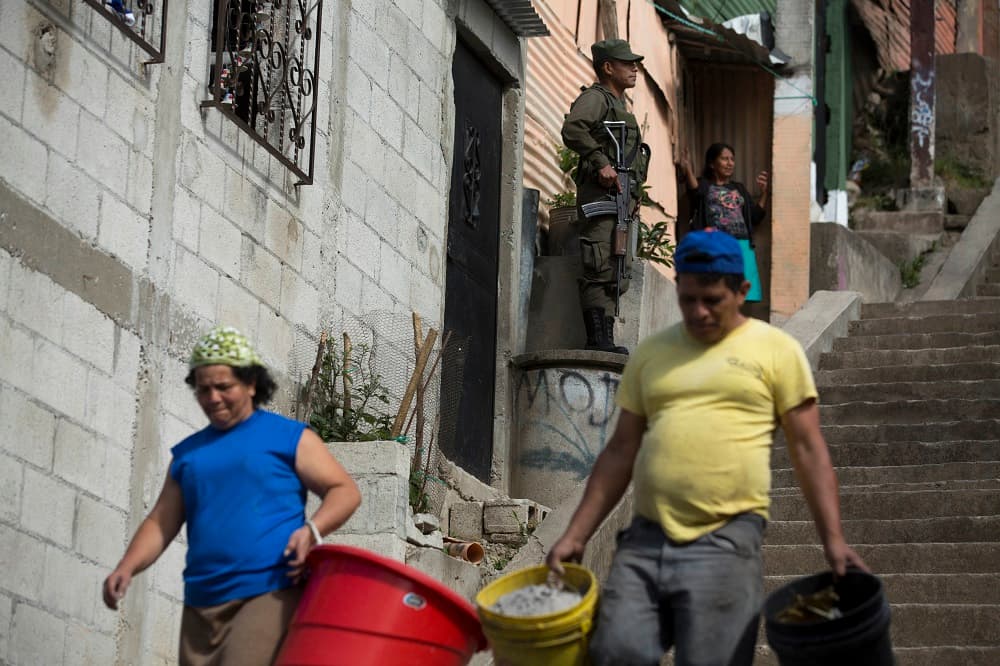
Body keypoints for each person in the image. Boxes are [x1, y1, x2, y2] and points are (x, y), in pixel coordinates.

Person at [546, 230, 868, 666]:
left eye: (712, 300)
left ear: (742, 291)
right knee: (613, 652)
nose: (698, 312)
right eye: (688, 298)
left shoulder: (776, 352)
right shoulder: (653, 353)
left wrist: (834, 542)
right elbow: (621, 451)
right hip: (645, 543)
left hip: (726, 544)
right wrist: (576, 534)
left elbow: (809, 450)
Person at [102, 326, 362, 666]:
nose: (212, 398)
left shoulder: (287, 437)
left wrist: (312, 531)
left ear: (252, 384)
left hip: (268, 591)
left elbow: (345, 491)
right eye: (203, 389)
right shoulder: (188, 455)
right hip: (200, 602)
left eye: (224, 387)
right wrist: (127, 566)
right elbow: (161, 521)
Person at [562, 38, 651, 354]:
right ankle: (596, 340)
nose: (634, 68)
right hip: (602, 199)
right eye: (627, 63)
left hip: (622, 200)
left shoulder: (619, 105)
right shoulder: (596, 98)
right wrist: (600, 163)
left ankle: (606, 341)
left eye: (634, 63)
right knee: (598, 262)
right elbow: (573, 129)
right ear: (608, 67)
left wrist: (634, 194)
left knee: (617, 266)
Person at [678, 142, 768, 303]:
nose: (730, 163)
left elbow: (755, 216)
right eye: (724, 159)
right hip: (716, 245)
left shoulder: (738, 188)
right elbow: (695, 192)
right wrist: (688, 169)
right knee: (718, 291)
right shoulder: (705, 185)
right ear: (712, 164)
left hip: (742, 245)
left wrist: (764, 193)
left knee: (740, 295)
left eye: (732, 159)